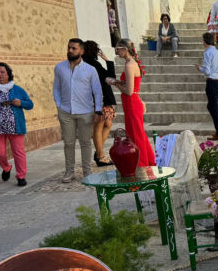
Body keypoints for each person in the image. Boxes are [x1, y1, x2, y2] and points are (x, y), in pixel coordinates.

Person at [53, 38, 103, 183]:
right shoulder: (60, 68)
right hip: (66, 111)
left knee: (85, 142)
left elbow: (97, 91)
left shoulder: (90, 69)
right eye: (69, 48)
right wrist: (58, 104)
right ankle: (69, 171)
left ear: (81, 51)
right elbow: (56, 87)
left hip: (85, 111)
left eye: (73, 48)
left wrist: (98, 110)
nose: (70, 51)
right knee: (68, 142)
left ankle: (87, 171)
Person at [107, 39, 156, 167]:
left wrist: (114, 83)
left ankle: (141, 165)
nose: (117, 51)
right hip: (132, 103)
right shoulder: (131, 63)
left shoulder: (129, 65)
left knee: (135, 136)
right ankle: (149, 161)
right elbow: (132, 87)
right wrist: (117, 81)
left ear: (125, 49)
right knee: (139, 134)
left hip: (132, 104)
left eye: (118, 49)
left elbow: (129, 91)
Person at [0, 62, 33, 186]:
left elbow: (30, 104)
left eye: (2, 72)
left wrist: (20, 103)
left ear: (8, 74)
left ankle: (21, 176)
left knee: (18, 152)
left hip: (15, 127)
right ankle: (6, 167)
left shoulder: (17, 89)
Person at [82, 41, 116, 166]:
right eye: (96, 49)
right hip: (99, 99)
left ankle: (98, 153)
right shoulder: (93, 64)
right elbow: (110, 77)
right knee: (99, 126)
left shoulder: (85, 63)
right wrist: (107, 60)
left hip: (98, 99)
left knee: (108, 124)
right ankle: (100, 156)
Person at [196, 32, 218, 140]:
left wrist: (199, 68)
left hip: (212, 82)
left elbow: (207, 71)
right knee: (211, 106)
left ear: (204, 42)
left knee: (213, 108)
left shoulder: (207, 53)